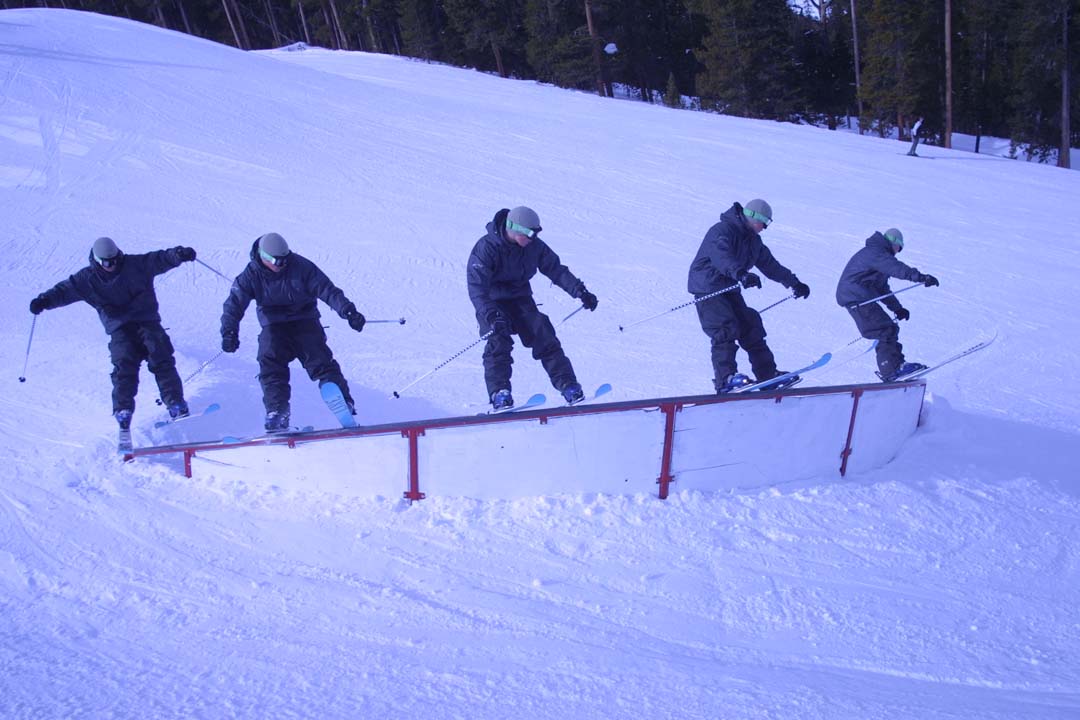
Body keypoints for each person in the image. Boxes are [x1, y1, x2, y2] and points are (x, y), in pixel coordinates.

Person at [28, 237, 197, 430]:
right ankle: (123, 411)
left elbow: (159, 259)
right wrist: (44, 301)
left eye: (115, 260)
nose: (112, 265)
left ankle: (175, 404)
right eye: (107, 262)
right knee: (124, 366)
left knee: (161, 357)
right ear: (98, 261)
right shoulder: (87, 279)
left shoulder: (134, 265)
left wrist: (178, 255)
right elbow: (64, 291)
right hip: (120, 329)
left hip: (147, 321)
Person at [219, 232, 366, 432]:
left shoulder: (301, 267)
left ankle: (343, 402)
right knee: (270, 363)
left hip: (305, 321)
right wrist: (229, 332)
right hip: (273, 326)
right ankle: (277, 411)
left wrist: (348, 311)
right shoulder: (251, 274)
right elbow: (233, 305)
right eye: (275, 260)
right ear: (263, 256)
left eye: (284, 259)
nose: (280, 265)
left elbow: (327, 289)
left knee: (320, 360)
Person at [467, 206, 599, 410]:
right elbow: (477, 287)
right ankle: (499, 393)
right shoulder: (486, 248)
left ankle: (569, 386)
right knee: (498, 342)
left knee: (543, 334)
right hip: (492, 303)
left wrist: (580, 291)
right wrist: (490, 314)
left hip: (520, 298)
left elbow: (555, 269)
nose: (532, 238)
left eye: (536, 233)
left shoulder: (533, 246)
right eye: (529, 233)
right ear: (513, 228)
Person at [687, 199, 811, 393]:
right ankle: (725, 379)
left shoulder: (754, 241)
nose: (764, 228)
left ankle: (767, 375)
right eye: (764, 223)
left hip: (729, 287)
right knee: (725, 328)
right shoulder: (722, 231)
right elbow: (721, 257)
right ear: (753, 217)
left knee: (750, 324)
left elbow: (770, 265)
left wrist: (794, 283)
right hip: (708, 287)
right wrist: (740, 273)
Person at [835, 228, 939, 381]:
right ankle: (892, 370)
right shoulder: (876, 252)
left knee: (889, 328)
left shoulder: (878, 257)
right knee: (884, 330)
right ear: (893, 242)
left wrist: (898, 308)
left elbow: (881, 288)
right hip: (856, 297)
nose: (898, 252)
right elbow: (897, 268)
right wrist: (921, 277)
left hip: (858, 297)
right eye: (898, 247)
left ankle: (896, 366)